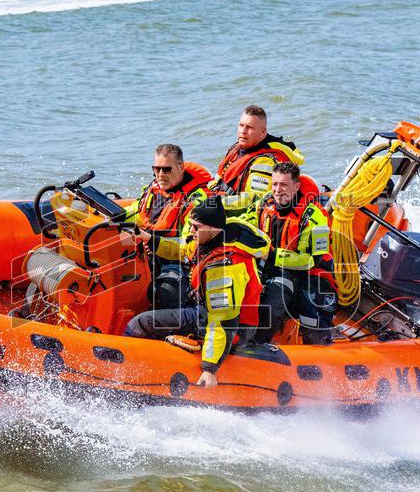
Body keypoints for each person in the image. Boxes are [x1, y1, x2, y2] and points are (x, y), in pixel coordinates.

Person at [125, 196, 269, 387]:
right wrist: (149, 238)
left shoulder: (224, 267)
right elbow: (183, 250)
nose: (191, 231)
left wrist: (210, 368)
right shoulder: (212, 241)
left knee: (140, 323)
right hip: (207, 311)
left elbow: (222, 323)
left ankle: (130, 376)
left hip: (232, 326)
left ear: (212, 227)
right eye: (190, 225)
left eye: (196, 226)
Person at [248, 162, 335, 345]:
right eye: (274, 184)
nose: (277, 190)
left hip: (308, 274)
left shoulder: (314, 216)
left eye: (283, 185)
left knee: (292, 308)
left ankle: (258, 346)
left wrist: (271, 256)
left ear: (296, 186)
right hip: (272, 267)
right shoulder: (264, 205)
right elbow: (247, 223)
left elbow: (312, 260)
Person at [125, 144, 211, 309]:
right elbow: (136, 211)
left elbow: (189, 247)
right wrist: (111, 217)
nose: (160, 175)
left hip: (179, 262)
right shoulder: (154, 188)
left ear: (180, 167)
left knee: (166, 291)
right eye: (156, 169)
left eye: (166, 170)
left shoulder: (197, 200)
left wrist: (152, 241)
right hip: (149, 249)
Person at [211, 105, 304, 199]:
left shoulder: (265, 162)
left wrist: (216, 204)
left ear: (263, 133)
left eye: (249, 127)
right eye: (241, 125)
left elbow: (254, 201)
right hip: (217, 197)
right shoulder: (236, 148)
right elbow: (218, 179)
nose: (243, 131)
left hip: (237, 210)